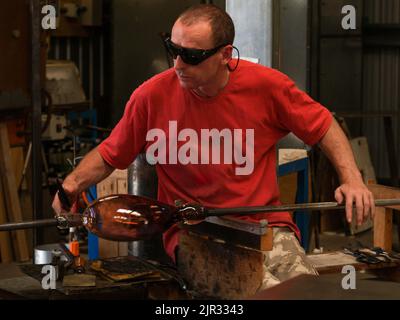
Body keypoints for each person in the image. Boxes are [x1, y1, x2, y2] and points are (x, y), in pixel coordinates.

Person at [52, 4, 375, 289]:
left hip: (264, 227)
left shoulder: (266, 87)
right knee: (256, 289)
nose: (178, 64)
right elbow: (111, 153)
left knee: (301, 291)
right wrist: (70, 187)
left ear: (225, 55)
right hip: (195, 233)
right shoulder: (151, 96)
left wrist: (352, 179)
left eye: (191, 56)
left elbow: (323, 125)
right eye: (172, 49)